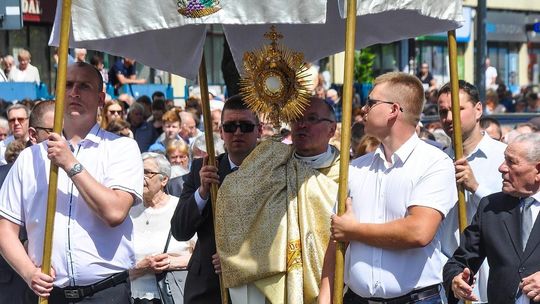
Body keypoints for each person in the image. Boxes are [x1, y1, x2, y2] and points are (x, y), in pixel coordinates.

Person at [0, 62, 143, 303]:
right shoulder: (30, 158)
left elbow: (114, 212)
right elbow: (6, 229)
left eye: (84, 86)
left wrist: (70, 163)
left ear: (101, 98)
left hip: (105, 292)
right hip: (49, 294)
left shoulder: (122, 148)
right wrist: (29, 273)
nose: (74, 92)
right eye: (67, 85)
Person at [320, 72, 457, 303]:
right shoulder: (355, 168)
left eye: (371, 103)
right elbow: (337, 241)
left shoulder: (435, 163)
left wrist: (354, 230)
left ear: (394, 110)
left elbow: (418, 231)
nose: (363, 109)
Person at [215, 96, 340, 303]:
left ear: (331, 129)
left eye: (312, 118)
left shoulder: (346, 175)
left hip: (326, 279)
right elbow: (233, 195)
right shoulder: (269, 161)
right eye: (297, 118)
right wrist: (233, 251)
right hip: (270, 282)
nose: (302, 125)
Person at [170, 95, 262, 304]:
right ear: (220, 132)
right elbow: (180, 231)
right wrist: (202, 192)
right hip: (208, 287)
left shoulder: (273, 171)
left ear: (260, 129)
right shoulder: (202, 169)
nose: (237, 132)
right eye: (230, 127)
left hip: (258, 283)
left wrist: (239, 259)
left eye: (246, 126)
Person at [443, 133, 540, 304]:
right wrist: (456, 279)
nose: (502, 168)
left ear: (538, 171)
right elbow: (459, 261)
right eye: (504, 160)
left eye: (512, 162)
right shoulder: (491, 207)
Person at [437, 80, 507, 303]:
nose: (448, 118)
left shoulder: (504, 157)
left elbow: (513, 214)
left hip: (490, 271)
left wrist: (476, 188)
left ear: (478, 110)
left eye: (457, 109)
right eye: (443, 111)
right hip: (446, 273)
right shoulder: (435, 162)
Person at [130, 152, 195, 304]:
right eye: (138, 172)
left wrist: (170, 263)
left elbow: (201, 255)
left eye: (147, 173)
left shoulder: (181, 207)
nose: (141, 177)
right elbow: (115, 263)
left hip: (176, 295)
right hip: (135, 297)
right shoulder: (127, 211)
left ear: (164, 179)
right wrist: (141, 267)